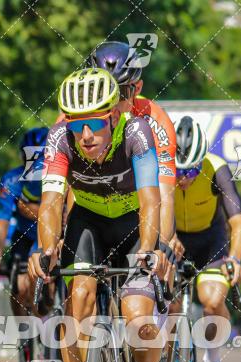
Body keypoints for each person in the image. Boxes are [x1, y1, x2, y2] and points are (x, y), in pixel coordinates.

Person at [28, 68, 168, 362]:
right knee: (80, 303)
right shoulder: (60, 140)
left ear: (112, 116)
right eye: (77, 126)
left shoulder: (137, 133)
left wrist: (148, 249)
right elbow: (53, 201)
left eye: (93, 124)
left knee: (139, 317)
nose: (85, 135)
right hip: (88, 225)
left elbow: (151, 200)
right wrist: (47, 247)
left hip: (131, 224)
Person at [171, 116, 241, 362]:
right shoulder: (158, 167)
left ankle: (212, 360)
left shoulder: (216, 168)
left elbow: (239, 222)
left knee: (213, 300)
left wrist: (235, 259)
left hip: (210, 242)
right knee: (168, 304)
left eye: (191, 172)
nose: (184, 179)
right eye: (179, 171)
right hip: (172, 238)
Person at [76, 42, 178, 257]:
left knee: (163, 264)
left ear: (137, 88)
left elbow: (165, 194)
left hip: (137, 211)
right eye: (101, 91)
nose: (110, 103)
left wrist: (163, 246)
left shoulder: (155, 120)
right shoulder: (74, 118)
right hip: (90, 213)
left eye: (120, 92)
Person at [0, 127, 48, 362]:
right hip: (25, 237)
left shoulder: (61, 175)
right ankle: (25, 338)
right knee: (20, 286)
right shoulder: (12, 180)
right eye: (29, 156)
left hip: (55, 234)